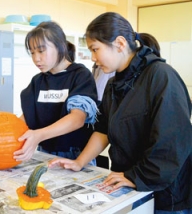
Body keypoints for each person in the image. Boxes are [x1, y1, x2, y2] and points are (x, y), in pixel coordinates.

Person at [49, 12, 192, 213]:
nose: (93, 58)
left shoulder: (161, 76)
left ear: (120, 43)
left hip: (166, 190)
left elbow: (172, 143)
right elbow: (103, 129)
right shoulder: (114, 83)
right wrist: (79, 162)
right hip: (133, 182)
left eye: (95, 49)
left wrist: (136, 176)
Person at [13, 21, 98, 162]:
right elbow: (26, 118)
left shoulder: (80, 75)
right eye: (32, 52)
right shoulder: (37, 81)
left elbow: (77, 118)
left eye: (41, 51)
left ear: (60, 46)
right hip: (45, 153)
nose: (36, 59)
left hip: (76, 156)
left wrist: (39, 135)